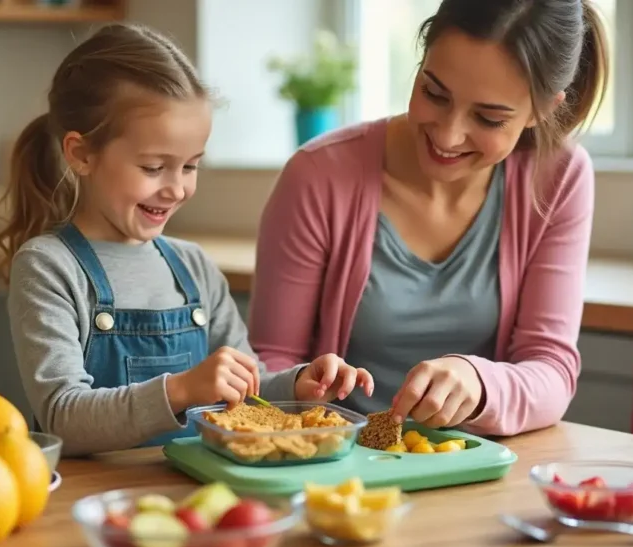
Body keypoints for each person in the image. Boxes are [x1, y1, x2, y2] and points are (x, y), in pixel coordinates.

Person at [0, 23, 373, 456]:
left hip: (194, 496)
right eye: (154, 167)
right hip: (93, 500)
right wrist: (180, 390)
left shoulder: (193, 267)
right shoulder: (48, 267)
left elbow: (247, 386)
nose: (177, 189)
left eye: (190, 166)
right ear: (81, 154)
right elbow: (65, 417)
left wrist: (297, 384)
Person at [248, 0, 609, 436]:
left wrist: (478, 381)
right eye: (434, 93)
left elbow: (551, 369)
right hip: (339, 467)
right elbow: (270, 363)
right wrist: (302, 388)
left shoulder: (559, 177)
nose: (447, 134)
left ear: (544, 109)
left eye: (489, 118)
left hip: (473, 466)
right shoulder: (319, 174)